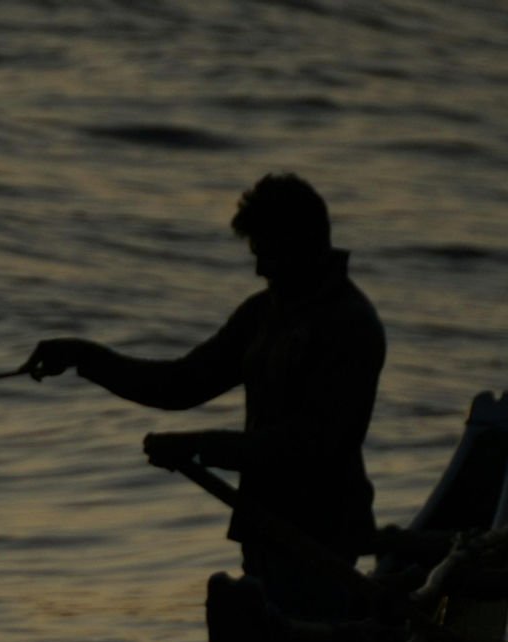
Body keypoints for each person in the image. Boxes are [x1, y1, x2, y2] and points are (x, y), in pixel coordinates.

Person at [23, 173, 384, 615]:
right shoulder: (263, 314)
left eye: (265, 253)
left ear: (299, 242)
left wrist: (200, 446)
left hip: (322, 534)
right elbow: (180, 384)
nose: (259, 269)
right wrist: (84, 358)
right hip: (263, 527)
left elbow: (315, 444)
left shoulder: (351, 325)